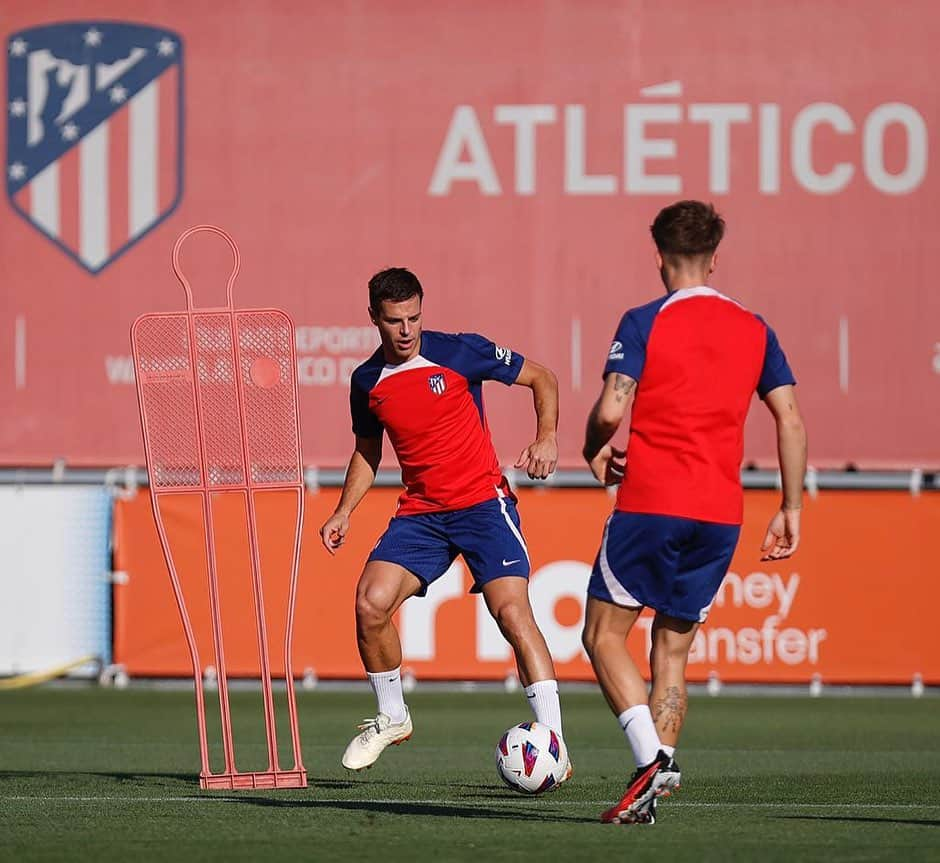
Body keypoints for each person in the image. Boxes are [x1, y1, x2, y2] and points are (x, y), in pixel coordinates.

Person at [580, 200, 807, 825]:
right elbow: (788, 417)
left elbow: (609, 409)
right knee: (671, 655)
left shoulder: (645, 320)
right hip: (719, 514)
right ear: (715, 257)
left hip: (653, 502)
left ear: (659, 258)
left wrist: (592, 449)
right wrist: (790, 507)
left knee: (601, 636)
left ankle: (651, 760)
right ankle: (653, 788)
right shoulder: (754, 328)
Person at [320, 266, 570, 780]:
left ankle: (554, 745)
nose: (406, 330)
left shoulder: (459, 352)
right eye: (394, 321)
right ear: (374, 319)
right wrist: (344, 510)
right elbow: (368, 452)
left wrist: (547, 436)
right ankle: (393, 717)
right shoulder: (366, 381)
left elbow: (542, 377)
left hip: (483, 504)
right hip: (423, 513)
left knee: (512, 614)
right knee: (370, 604)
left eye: (414, 317)